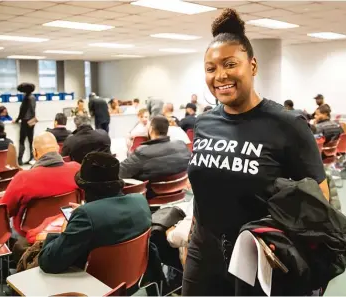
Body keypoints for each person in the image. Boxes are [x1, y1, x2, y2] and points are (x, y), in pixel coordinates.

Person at [183, 9, 328, 296]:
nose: (220, 75)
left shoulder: (287, 124)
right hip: (204, 255)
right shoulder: (205, 122)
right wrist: (192, 243)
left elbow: (320, 203)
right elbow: (203, 194)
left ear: (252, 65)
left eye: (230, 64)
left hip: (261, 259)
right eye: (211, 69)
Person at [38, 152, 152, 274]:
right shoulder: (140, 201)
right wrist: (88, 211)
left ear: (85, 188)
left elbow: (49, 263)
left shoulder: (86, 216)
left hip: (95, 283)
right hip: (133, 277)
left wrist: (66, 227)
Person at [0, 132, 81, 238]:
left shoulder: (23, 178)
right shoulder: (76, 169)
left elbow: (4, 211)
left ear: (35, 153)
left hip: (30, 234)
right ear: (58, 149)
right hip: (68, 227)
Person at [119, 116, 190, 191]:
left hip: (151, 196)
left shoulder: (142, 152)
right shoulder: (181, 145)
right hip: (179, 193)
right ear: (167, 130)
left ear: (151, 129)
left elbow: (120, 172)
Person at [15, 82, 37, 165]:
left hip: (25, 121)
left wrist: (17, 120)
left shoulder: (27, 98)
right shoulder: (33, 97)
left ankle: (19, 159)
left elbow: (22, 111)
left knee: (22, 140)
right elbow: (32, 110)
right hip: (32, 121)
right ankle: (32, 158)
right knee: (31, 141)